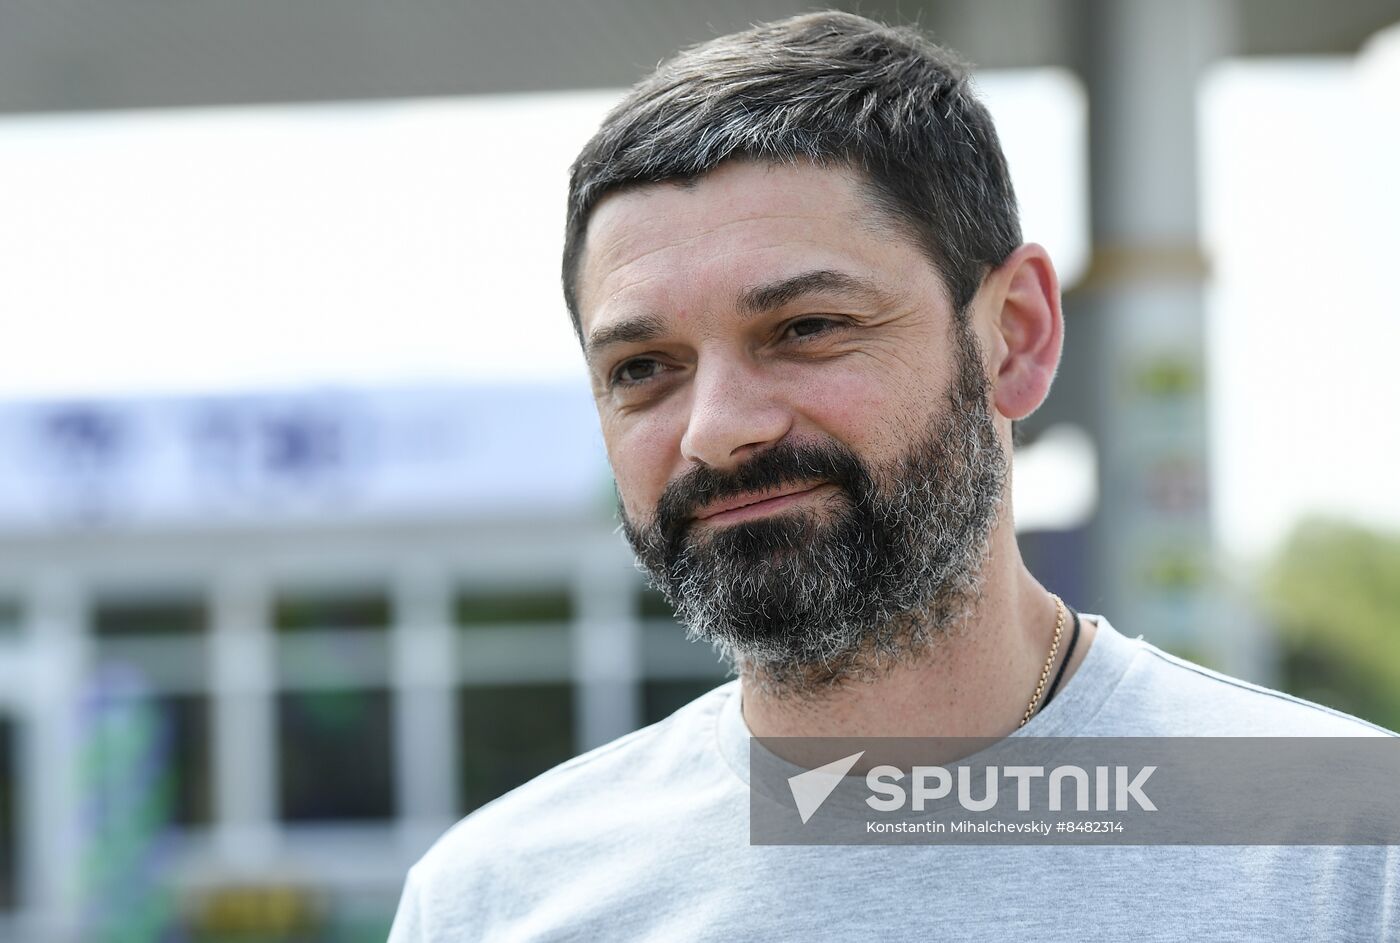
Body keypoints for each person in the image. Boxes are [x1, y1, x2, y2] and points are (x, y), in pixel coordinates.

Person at [390, 12, 1397, 940]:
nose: (715, 431)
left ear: (1014, 335)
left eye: (805, 328)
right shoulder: (493, 901)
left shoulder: (1344, 851)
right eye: (642, 369)